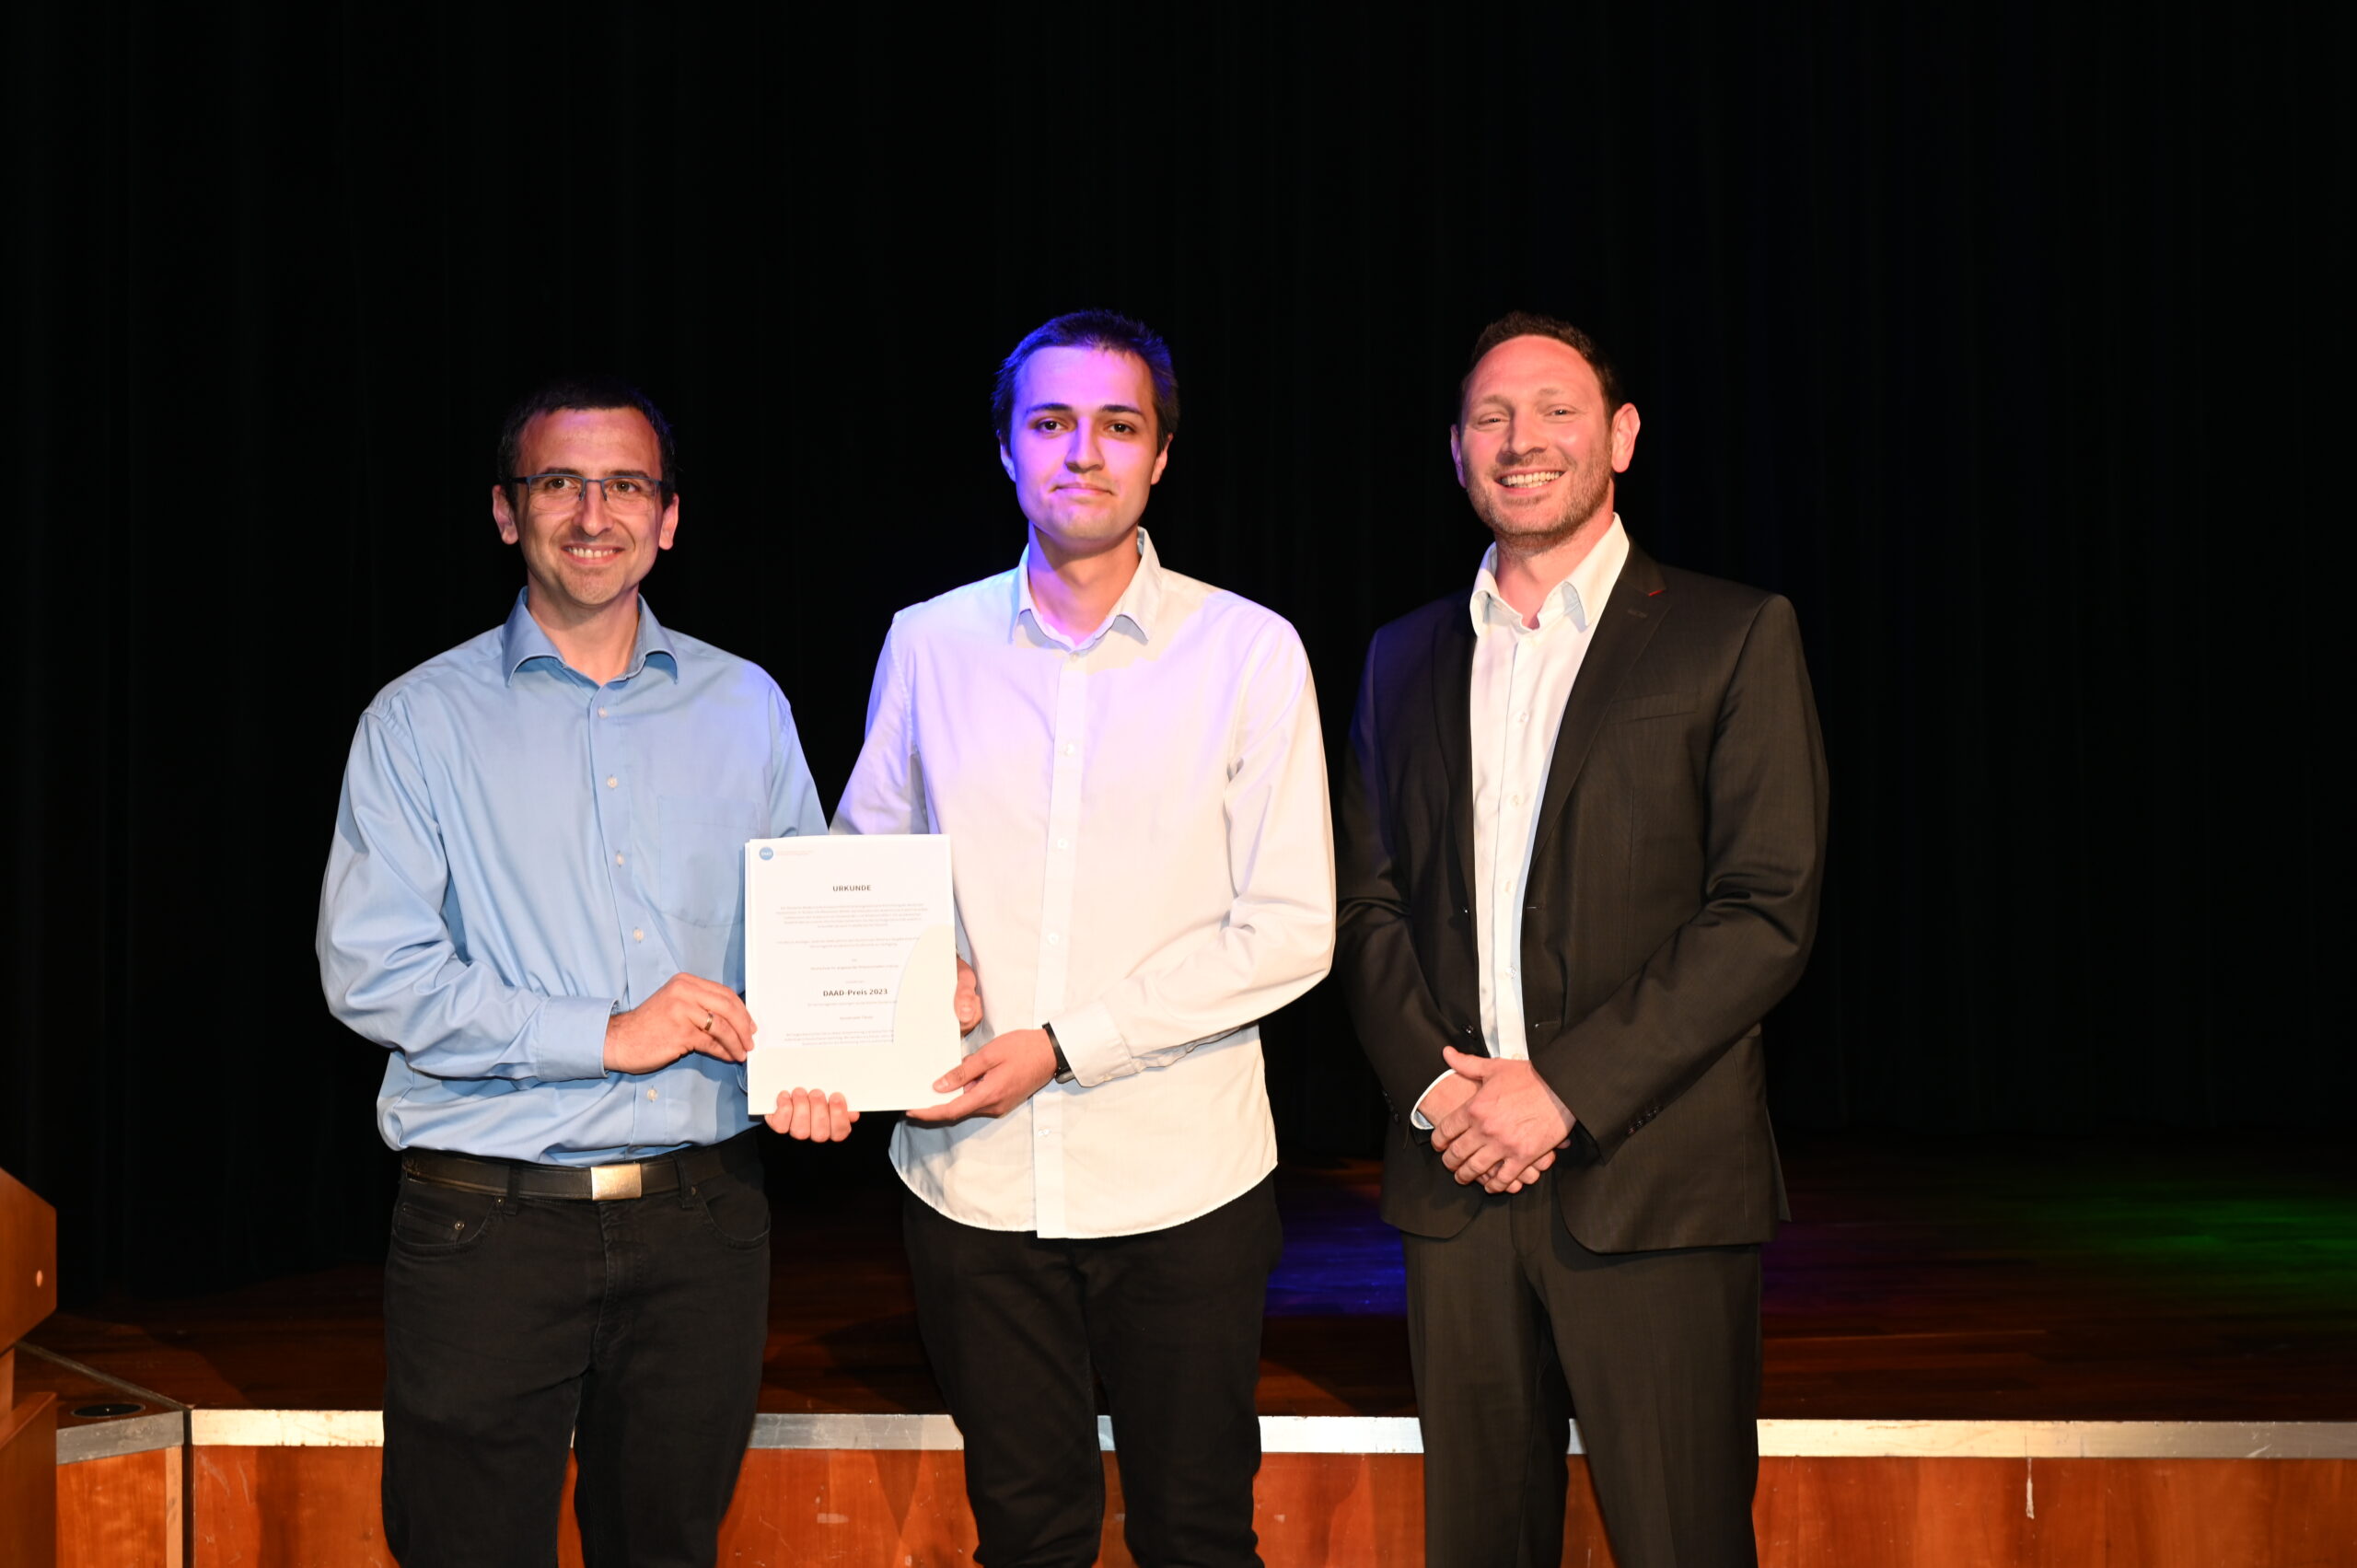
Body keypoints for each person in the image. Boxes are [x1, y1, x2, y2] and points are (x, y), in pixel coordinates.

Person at [789, 309, 1334, 1567]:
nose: (1082, 450)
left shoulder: (1248, 651)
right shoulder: (929, 640)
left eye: (1117, 425)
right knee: (1027, 1538)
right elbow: (862, 860)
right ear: (1006, 451)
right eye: (1050, 422)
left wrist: (1064, 1044)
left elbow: (1294, 928)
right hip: (972, 1184)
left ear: (1161, 456)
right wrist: (906, 967)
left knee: (1198, 1536)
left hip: (1183, 1180)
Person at [1334, 312, 1829, 1568]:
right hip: (1456, 1185)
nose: (1522, 440)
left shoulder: (1730, 632)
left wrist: (1562, 1093)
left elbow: (1765, 907)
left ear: (1620, 436)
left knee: (1681, 1542)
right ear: (1456, 453)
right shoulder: (1400, 659)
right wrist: (1451, 1099)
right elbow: (1366, 904)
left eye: (1555, 410)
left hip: (1655, 1185)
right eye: (1491, 417)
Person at [317, 377, 828, 1568]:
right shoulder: (418, 720)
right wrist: (604, 1032)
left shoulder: (743, 703)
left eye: (626, 485)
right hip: (485, 1226)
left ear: (669, 518)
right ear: (508, 513)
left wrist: (893, 1005)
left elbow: (809, 916)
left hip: (704, 1221)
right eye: (560, 482)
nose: (593, 512)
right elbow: (372, 971)